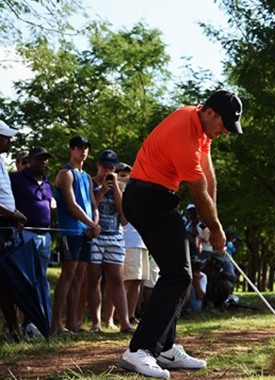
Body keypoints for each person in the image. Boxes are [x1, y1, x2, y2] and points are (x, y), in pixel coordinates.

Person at [118, 90, 243, 378]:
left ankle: (165, 347)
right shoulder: (184, 136)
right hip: (148, 199)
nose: (225, 132)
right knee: (178, 275)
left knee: (177, 272)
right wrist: (215, 229)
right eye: (224, 125)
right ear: (210, 112)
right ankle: (139, 350)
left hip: (155, 199)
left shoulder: (201, 130)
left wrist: (213, 221)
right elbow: (198, 191)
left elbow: (209, 177)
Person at [51, 135, 100, 334]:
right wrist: (91, 224)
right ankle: (56, 323)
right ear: (71, 149)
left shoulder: (87, 177)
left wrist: (94, 224)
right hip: (70, 230)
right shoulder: (65, 173)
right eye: (79, 147)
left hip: (87, 232)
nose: (83, 151)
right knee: (68, 274)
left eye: (86, 148)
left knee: (80, 276)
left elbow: (93, 204)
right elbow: (71, 205)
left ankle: (73, 323)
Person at [86, 149, 133, 333]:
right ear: (98, 165)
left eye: (111, 168)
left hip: (114, 235)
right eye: (105, 166)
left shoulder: (119, 186)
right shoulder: (89, 182)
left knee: (117, 280)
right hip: (95, 236)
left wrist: (116, 188)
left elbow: (123, 214)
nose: (107, 171)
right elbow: (89, 208)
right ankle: (96, 323)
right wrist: (103, 190)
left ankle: (125, 323)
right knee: (94, 279)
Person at [10, 146, 54, 337]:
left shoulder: (46, 183)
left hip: (45, 236)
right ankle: (14, 326)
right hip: (25, 234)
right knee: (24, 281)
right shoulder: (17, 179)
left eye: (46, 159)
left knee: (40, 279)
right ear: (30, 160)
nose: (43, 162)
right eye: (39, 158)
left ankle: (32, 324)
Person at [0, 120, 27, 341]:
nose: (9, 141)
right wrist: (11, 214)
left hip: (7, 225)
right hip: (1, 223)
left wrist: (14, 212)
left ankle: (13, 328)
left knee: (7, 279)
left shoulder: (1, 161)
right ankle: (13, 328)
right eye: (5, 137)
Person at [116, 162, 148, 325]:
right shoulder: (118, 192)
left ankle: (130, 314)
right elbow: (123, 218)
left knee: (137, 281)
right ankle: (118, 316)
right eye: (120, 173)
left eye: (127, 173)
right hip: (127, 241)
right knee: (127, 281)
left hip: (141, 241)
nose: (125, 176)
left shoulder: (137, 192)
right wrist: (120, 186)